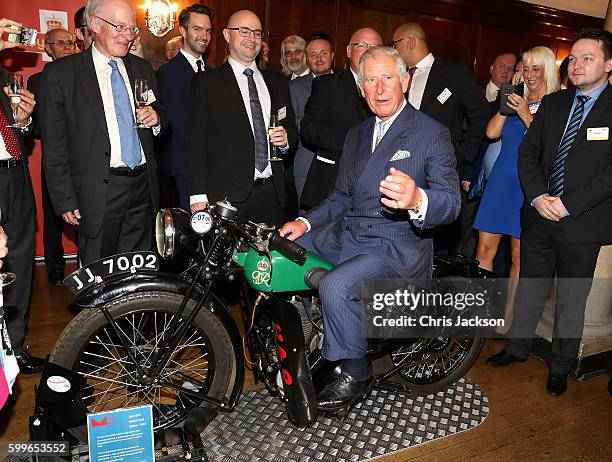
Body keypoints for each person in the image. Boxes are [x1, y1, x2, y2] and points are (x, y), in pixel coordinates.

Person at [280, 46, 461, 410]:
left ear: (405, 81)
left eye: (387, 78)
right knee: (283, 254)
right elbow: (340, 196)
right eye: (370, 81)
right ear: (360, 88)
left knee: (335, 284)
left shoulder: (431, 133)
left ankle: (356, 371)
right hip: (350, 233)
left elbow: (452, 203)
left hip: (397, 244)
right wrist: (303, 222)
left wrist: (418, 200)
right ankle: (317, 336)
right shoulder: (357, 134)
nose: (379, 89)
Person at [486, 29, 612, 397]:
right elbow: (528, 154)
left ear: (608, 65)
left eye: (587, 58)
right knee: (530, 287)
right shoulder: (556, 104)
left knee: (572, 299)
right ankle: (516, 347)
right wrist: (539, 195)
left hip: (582, 222)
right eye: (573, 58)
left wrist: (569, 204)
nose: (577, 64)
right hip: (539, 215)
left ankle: (559, 367)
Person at [41, 0, 167, 265]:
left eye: (132, 29)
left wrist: (156, 118)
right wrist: (64, 199)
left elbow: (162, 114)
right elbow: (55, 145)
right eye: (120, 27)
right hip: (98, 191)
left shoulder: (142, 68)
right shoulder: (62, 75)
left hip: (143, 187)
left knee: (138, 271)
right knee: (99, 273)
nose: (128, 36)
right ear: (95, 24)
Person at [474, 47, 559, 333]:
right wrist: (508, 101)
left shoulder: (556, 105)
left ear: (548, 71)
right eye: (526, 67)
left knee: (518, 257)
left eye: (537, 68)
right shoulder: (515, 99)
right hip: (501, 182)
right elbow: (491, 133)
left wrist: (525, 113)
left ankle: (507, 318)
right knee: (483, 250)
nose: (531, 74)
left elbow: (549, 147)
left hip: (529, 186)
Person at [188, 10, 297, 226]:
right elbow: (195, 143)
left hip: (273, 195)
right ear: (227, 35)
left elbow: (293, 131)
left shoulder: (277, 84)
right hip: (227, 200)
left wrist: (285, 142)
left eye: (257, 33)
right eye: (244, 31)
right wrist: (198, 196)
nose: (252, 38)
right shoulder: (207, 82)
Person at [391, 22, 489, 253]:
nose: (393, 51)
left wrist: (462, 154)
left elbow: (481, 113)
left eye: (395, 44)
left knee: (435, 240)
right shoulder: (398, 75)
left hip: (436, 171)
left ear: (411, 41)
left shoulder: (453, 73)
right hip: (398, 168)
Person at [0, 17, 45, 373]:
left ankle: (14, 349)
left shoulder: (3, 75)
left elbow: (15, 133)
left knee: (18, 265)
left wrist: (23, 120)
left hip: (15, 176)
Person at [299, 28, 382, 210]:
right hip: (331, 187)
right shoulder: (327, 85)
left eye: (374, 46)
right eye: (361, 45)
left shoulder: (390, 88)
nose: (368, 51)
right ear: (348, 51)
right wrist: (354, 142)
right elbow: (309, 129)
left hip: (376, 193)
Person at [28, 28, 77, 284]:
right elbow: (32, 125)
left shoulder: (84, 75)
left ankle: (86, 264)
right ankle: (55, 267)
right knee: (52, 215)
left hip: (84, 159)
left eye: (71, 42)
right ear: (48, 48)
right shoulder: (37, 81)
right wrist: (53, 129)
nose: (68, 47)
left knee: (87, 212)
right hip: (55, 159)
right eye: (61, 43)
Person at [158, 4, 213, 210]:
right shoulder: (169, 72)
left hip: (211, 165)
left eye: (208, 30)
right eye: (197, 29)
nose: (204, 36)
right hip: (186, 166)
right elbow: (181, 124)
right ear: (182, 31)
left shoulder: (212, 73)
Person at [289, 34, 334, 201]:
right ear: (307, 59)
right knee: (306, 221)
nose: (319, 59)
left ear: (332, 56)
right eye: (313, 55)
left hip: (342, 167)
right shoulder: (294, 88)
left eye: (323, 53)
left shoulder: (347, 82)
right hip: (307, 166)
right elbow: (291, 125)